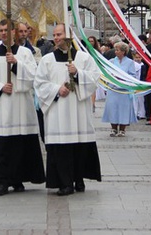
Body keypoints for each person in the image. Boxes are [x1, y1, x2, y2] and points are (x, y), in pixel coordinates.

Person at [0, 19, 45, 196]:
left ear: (14, 32)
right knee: (3, 145)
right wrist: (0, 87)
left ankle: (19, 179)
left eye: (6, 30)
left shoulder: (25, 53)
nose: (3, 33)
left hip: (22, 106)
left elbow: (34, 77)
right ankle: (1, 181)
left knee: (20, 144)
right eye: (0, 30)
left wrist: (16, 64)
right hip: (2, 106)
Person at [35, 24, 101, 195]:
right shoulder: (47, 60)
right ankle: (65, 183)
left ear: (69, 36)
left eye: (59, 34)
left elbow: (94, 79)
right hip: (59, 112)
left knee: (79, 147)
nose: (56, 38)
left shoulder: (84, 59)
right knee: (62, 149)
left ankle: (79, 179)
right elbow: (40, 84)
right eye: (54, 35)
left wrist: (78, 73)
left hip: (78, 111)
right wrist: (57, 90)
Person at [102, 42, 138, 137]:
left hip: (124, 90)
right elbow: (106, 73)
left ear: (123, 51)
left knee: (124, 109)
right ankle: (113, 128)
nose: (116, 52)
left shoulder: (130, 62)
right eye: (115, 50)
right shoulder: (111, 61)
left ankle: (122, 129)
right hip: (113, 89)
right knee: (112, 108)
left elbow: (133, 75)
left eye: (118, 50)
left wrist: (124, 78)